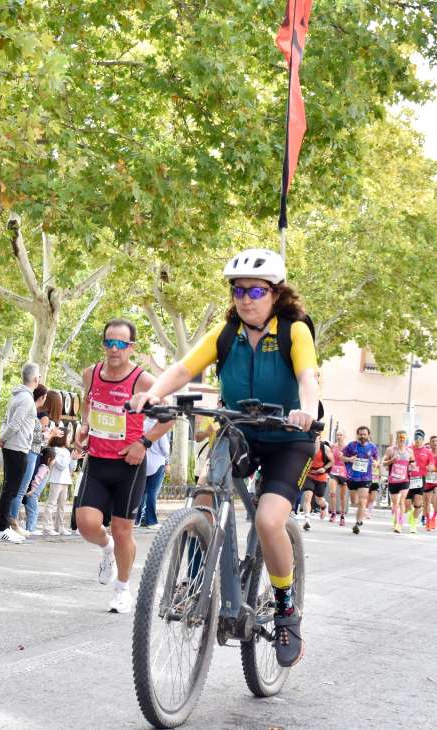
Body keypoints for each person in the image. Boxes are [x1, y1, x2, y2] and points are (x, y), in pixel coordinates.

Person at [132, 248, 319, 667]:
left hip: (290, 437)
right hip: (238, 430)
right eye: (238, 291)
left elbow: (308, 377)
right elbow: (183, 368)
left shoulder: (294, 331)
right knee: (203, 497)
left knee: (269, 520)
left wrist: (307, 409)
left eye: (256, 290)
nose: (246, 298)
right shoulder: (225, 333)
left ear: (275, 293)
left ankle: (286, 609)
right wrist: (153, 393)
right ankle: (192, 582)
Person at [75, 319, 172, 616]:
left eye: (120, 344)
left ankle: (122, 590)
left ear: (131, 347)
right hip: (97, 460)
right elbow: (87, 404)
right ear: (103, 343)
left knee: (122, 530)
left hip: (128, 466)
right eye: (109, 342)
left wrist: (143, 443)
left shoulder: (142, 381)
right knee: (86, 524)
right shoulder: (91, 374)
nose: (113, 349)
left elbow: (168, 416)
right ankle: (107, 551)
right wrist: (85, 426)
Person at [0, 363, 41, 544]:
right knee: (10, 489)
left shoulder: (16, 397)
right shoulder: (26, 399)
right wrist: (1, 440)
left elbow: (6, 421)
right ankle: (3, 528)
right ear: (35, 379)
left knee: (10, 489)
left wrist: (1, 439)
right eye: (39, 377)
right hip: (17, 448)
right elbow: (15, 424)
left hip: (14, 446)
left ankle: (6, 526)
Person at [11, 388, 51, 535]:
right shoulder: (33, 413)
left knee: (18, 490)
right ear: (43, 397)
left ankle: (12, 522)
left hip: (29, 452)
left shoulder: (29, 408)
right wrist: (47, 435)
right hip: (30, 453)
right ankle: (12, 523)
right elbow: (33, 437)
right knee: (20, 491)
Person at [342, 426, 379, 534]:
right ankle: (359, 515)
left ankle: (358, 522)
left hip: (366, 478)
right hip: (352, 477)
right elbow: (341, 457)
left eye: (364, 434)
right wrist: (349, 459)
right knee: (355, 502)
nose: (362, 436)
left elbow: (377, 458)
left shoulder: (372, 447)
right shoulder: (351, 445)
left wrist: (376, 463)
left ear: (368, 435)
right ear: (357, 434)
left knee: (363, 501)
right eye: (361, 434)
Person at [135, 416, 170, 529]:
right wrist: (167, 459)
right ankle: (151, 521)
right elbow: (165, 449)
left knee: (140, 493)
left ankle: (136, 521)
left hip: (142, 462)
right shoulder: (159, 427)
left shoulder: (141, 425)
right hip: (157, 463)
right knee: (152, 493)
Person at [383, 430, 414, 534]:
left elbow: (413, 463)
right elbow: (383, 463)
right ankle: (396, 520)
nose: (402, 439)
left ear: (406, 438)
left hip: (405, 479)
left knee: (402, 501)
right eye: (400, 437)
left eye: (404, 437)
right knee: (395, 502)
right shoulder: (390, 450)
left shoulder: (409, 451)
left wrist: (412, 466)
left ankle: (399, 524)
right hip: (393, 480)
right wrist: (391, 461)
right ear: (397, 438)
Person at [43, 435, 75, 536]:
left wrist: (74, 459)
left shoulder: (66, 451)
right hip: (56, 480)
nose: (69, 439)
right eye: (68, 436)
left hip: (65, 480)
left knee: (62, 506)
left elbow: (71, 468)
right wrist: (70, 457)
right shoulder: (55, 450)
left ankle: (59, 527)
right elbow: (61, 466)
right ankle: (47, 527)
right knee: (51, 504)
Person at [301, 437, 332, 531]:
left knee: (319, 500)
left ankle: (324, 505)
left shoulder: (325, 448)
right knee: (307, 497)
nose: (314, 441)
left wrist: (325, 468)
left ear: (320, 439)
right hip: (309, 474)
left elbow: (332, 461)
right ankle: (307, 519)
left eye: (316, 439)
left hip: (321, 475)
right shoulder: (306, 446)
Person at [327, 429, 348, 524]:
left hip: (344, 473)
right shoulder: (333, 446)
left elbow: (351, 460)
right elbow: (329, 459)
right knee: (332, 493)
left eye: (341, 435)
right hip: (334, 472)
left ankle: (342, 515)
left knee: (343, 496)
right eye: (338, 435)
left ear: (344, 436)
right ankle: (333, 513)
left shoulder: (348, 448)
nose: (339, 436)